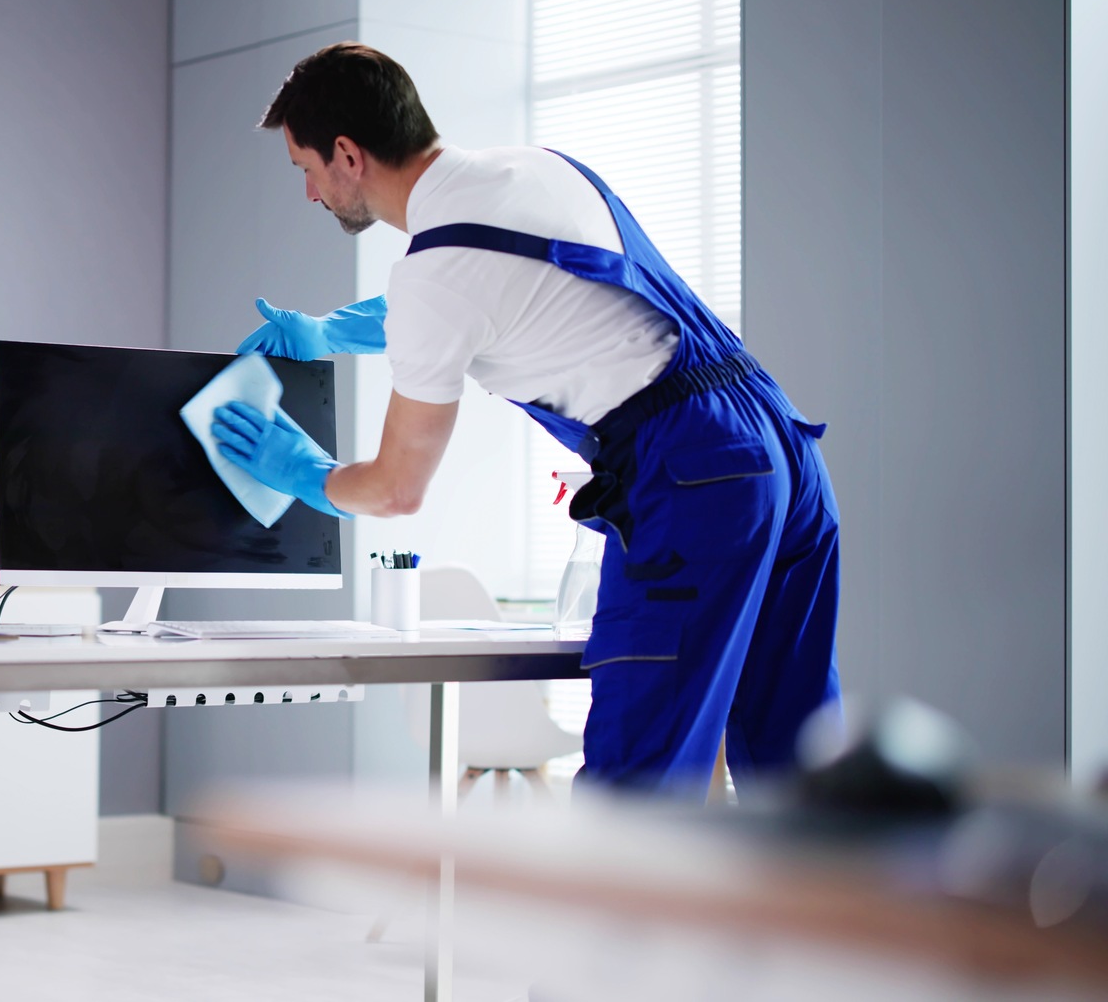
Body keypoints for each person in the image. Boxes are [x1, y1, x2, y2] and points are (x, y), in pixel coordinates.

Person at [209, 43, 841, 797]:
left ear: (348, 154)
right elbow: (491, 295)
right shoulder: (533, 170)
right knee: (806, 778)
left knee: (636, 791)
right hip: (780, 450)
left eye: (305, 168)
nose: (310, 193)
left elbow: (395, 488)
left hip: (697, 476)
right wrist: (330, 331)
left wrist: (301, 469)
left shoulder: (435, 275)